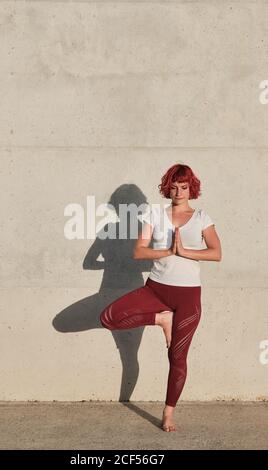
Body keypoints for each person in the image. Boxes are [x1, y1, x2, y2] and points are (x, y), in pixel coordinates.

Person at [100, 163, 222, 432]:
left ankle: (168, 413)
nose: (179, 191)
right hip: (156, 289)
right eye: (174, 186)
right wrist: (167, 251)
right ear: (168, 188)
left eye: (184, 186)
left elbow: (215, 253)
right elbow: (139, 252)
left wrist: (184, 252)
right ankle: (161, 318)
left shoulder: (202, 217)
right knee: (109, 317)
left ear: (192, 188)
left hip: (188, 296)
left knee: (177, 359)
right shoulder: (155, 215)